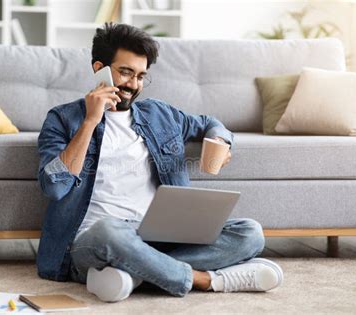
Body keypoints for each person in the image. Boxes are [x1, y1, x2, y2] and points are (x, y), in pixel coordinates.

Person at [36, 22, 283, 302]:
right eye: (126, 72)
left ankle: (133, 274)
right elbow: (54, 187)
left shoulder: (159, 114)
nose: (133, 85)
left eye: (141, 76)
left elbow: (209, 124)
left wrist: (222, 141)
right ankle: (203, 279)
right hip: (95, 240)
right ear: (99, 68)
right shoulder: (62, 119)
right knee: (109, 230)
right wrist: (91, 120)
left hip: (157, 234)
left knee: (250, 232)